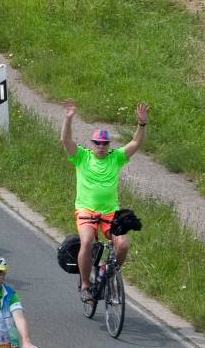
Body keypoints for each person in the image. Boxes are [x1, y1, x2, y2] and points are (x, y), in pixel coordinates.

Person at [62, 99, 149, 301]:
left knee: (123, 243)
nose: (101, 147)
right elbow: (66, 141)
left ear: (108, 145)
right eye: (97, 143)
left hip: (110, 211)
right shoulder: (82, 157)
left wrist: (141, 124)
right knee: (88, 242)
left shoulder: (115, 157)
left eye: (104, 143)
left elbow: (135, 143)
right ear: (92, 144)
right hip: (86, 210)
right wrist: (68, 119)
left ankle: (108, 272)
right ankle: (85, 284)